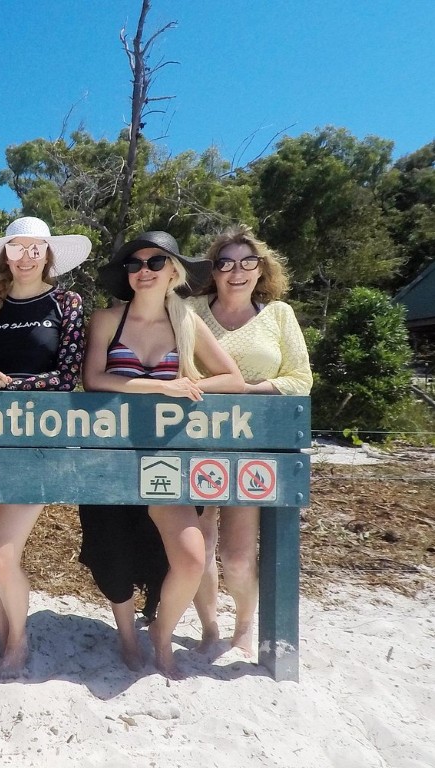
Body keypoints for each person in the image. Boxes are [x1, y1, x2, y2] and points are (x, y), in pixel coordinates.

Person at [83, 230, 244, 679]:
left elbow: (232, 379)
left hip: (167, 458)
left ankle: (161, 632)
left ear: (174, 271)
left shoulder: (187, 322)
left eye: (156, 262)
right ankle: (127, 636)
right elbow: (95, 379)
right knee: (112, 553)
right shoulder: (106, 320)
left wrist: (192, 386)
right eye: (135, 264)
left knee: (191, 557)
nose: (144, 271)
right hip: (111, 456)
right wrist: (161, 387)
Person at [0, 216, 92, 677]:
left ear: (48, 254)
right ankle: (2, 635)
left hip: (42, 443)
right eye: (17, 247)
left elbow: (67, 377)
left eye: (36, 248)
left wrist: (13, 385)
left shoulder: (68, 303)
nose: (27, 256)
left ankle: (19, 641)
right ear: (5, 255)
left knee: (2, 555)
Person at [188, 225, 313, 658]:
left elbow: (300, 379)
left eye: (247, 262)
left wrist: (244, 389)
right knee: (199, 550)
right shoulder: (190, 310)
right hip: (193, 442)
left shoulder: (279, 315)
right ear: (213, 270)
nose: (236, 271)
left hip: (253, 448)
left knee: (238, 556)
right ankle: (209, 627)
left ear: (261, 269)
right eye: (225, 263)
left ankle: (244, 626)